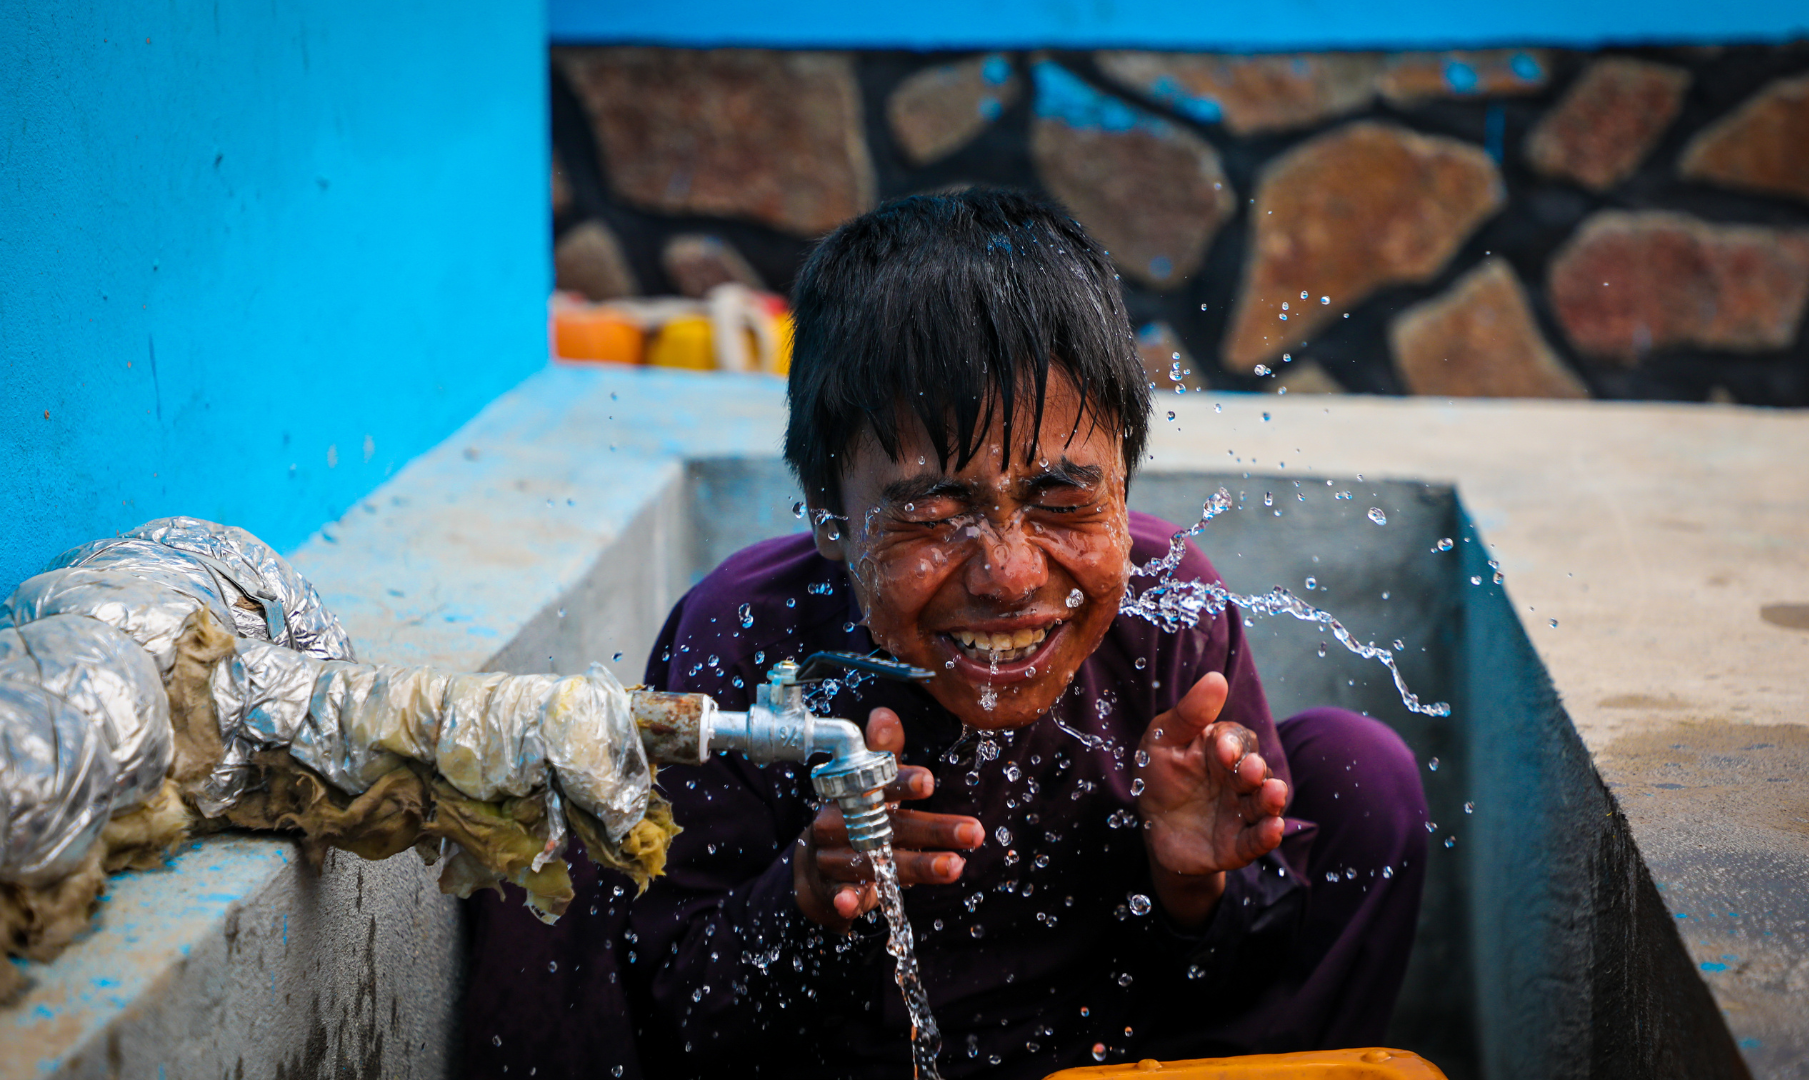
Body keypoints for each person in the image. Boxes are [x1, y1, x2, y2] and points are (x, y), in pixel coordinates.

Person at [459, 190, 1428, 1079]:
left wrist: (1192, 886)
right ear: (829, 516)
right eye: (934, 511)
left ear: (1125, 487)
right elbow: (681, 1008)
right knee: (546, 813)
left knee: (1359, 773)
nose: (1011, 575)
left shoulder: (1168, 620)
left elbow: (1243, 989)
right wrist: (799, 902)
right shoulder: (748, 643)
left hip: (1111, 1064)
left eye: (1061, 503)